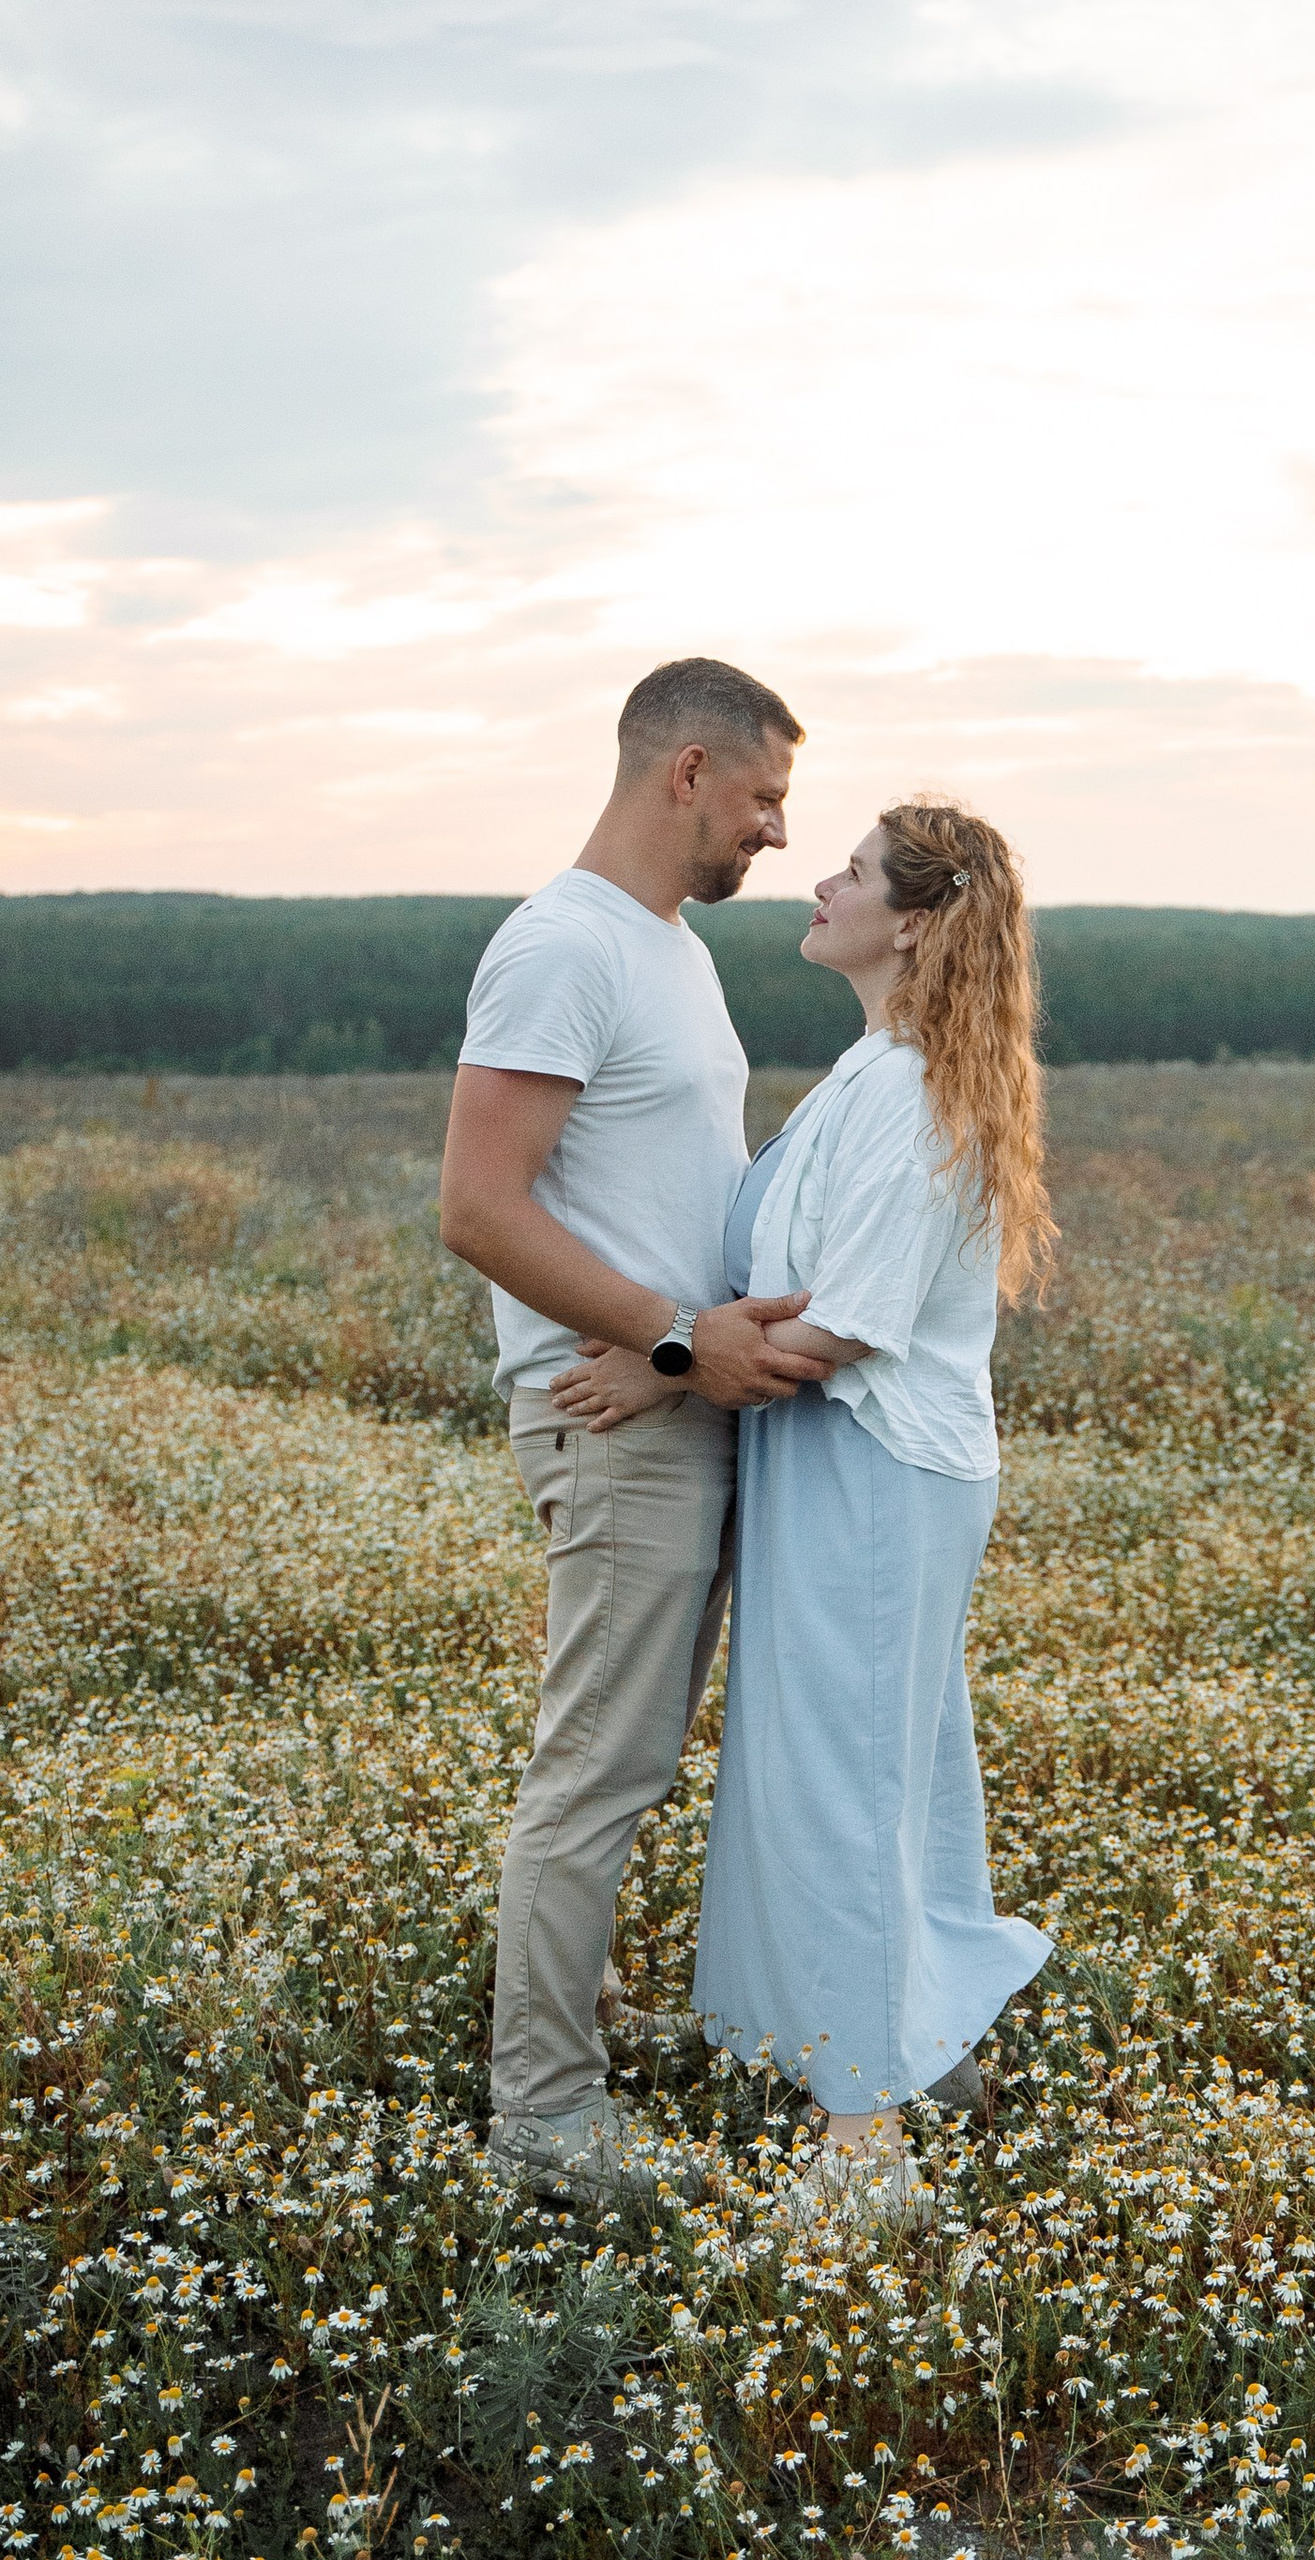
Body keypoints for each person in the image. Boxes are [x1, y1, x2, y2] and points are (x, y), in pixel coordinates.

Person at [550, 799, 1057, 2223]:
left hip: (873, 1468)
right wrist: (690, 1340)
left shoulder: (909, 1093)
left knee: (845, 1780)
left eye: (849, 871)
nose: (815, 880)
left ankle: (864, 2151)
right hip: (850, 1466)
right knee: (883, 1767)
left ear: (911, 921)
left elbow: (844, 1324)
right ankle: (918, 2040)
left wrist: (665, 1367)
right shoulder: (880, 1070)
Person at [439, 657, 830, 2203]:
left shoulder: (667, 948)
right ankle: (542, 2116)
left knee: (632, 1756)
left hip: (671, 1402)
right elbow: (475, 1205)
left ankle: (584, 2016)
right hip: (615, 1421)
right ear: (685, 773)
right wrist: (670, 1343)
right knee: (596, 1768)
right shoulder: (562, 948)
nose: (779, 834)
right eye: (764, 797)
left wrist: (694, 1348)